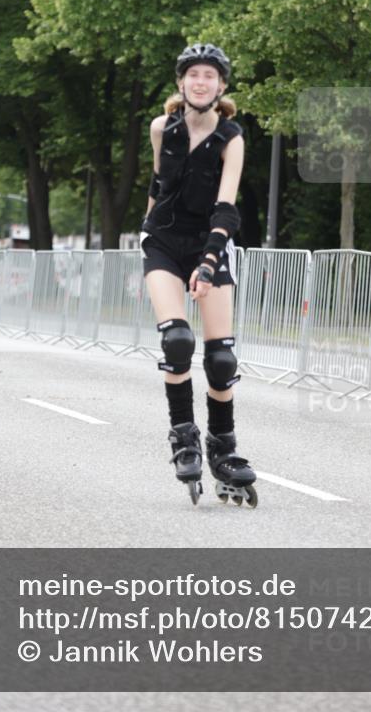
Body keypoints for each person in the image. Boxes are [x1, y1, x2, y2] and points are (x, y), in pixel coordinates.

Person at [141, 43, 257, 508]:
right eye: (194, 74)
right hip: (165, 243)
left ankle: (223, 451)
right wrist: (145, 240)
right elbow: (157, 185)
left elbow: (226, 208)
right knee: (177, 343)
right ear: (181, 83)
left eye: (210, 75)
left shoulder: (231, 137)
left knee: (222, 359)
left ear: (221, 86)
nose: (201, 81)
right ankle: (184, 438)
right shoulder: (160, 129)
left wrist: (209, 262)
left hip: (209, 243)